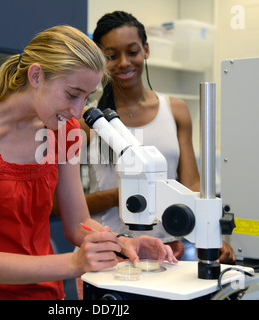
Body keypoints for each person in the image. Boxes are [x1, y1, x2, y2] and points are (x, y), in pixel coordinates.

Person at [0, 25, 177, 300]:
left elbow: (78, 224)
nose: (77, 111)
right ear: (36, 75)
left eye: (86, 98)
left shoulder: (67, 131)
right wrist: (74, 263)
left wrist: (123, 244)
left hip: (48, 294)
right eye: (72, 94)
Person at [78, 11, 235, 263]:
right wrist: (130, 192)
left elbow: (191, 184)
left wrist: (210, 233)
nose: (124, 62)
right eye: (111, 55)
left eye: (132, 51)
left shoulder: (176, 110)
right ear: (99, 58)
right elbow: (61, 206)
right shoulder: (86, 122)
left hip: (169, 248)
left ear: (146, 50)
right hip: (109, 249)